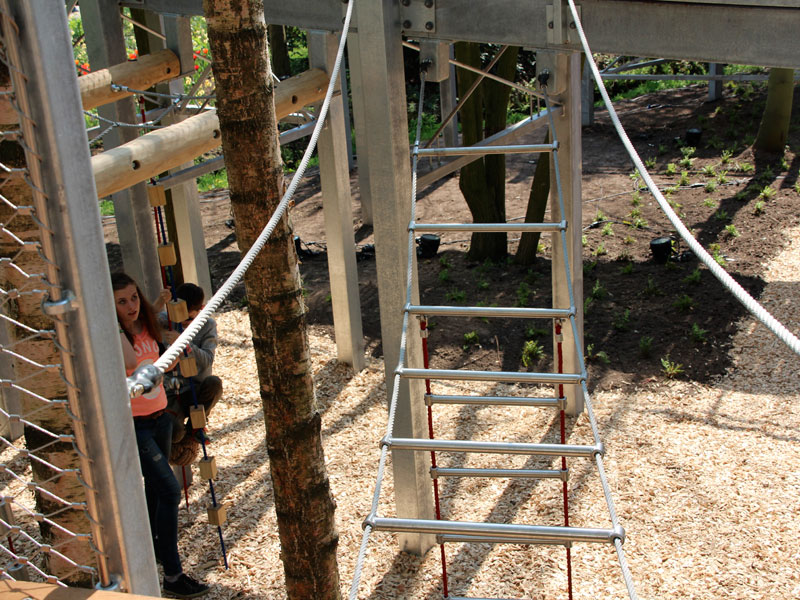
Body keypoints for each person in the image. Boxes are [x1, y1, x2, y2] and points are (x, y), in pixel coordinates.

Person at [112, 272, 209, 599]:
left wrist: (175, 349)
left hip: (161, 418)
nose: (131, 306)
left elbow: (160, 366)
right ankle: (173, 575)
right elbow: (130, 362)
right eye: (121, 301)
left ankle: (156, 553)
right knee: (169, 491)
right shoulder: (114, 335)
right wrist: (117, 323)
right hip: (136, 425)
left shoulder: (147, 326)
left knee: (156, 491)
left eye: (134, 297)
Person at [161, 283, 222, 444]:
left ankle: (195, 428)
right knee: (173, 434)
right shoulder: (166, 320)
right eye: (179, 317)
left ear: (200, 309)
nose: (183, 321)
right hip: (172, 392)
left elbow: (207, 360)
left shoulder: (208, 325)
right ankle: (181, 431)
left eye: (188, 318)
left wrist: (184, 344)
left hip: (195, 389)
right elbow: (146, 318)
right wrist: (160, 301)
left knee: (214, 384)